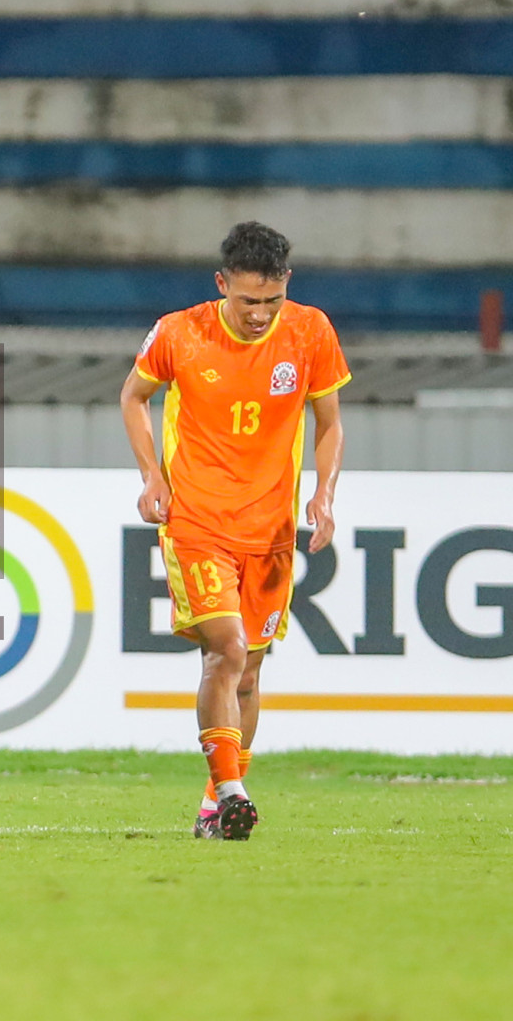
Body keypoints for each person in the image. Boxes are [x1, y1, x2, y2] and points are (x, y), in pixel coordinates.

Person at [119, 221, 349, 841]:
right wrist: (152, 477)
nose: (259, 314)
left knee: (249, 672)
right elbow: (133, 396)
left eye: (271, 300)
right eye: (248, 301)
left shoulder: (311, 331)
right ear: (222, 285)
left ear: (287, 286)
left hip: (270, 529)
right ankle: (232, 791)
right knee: (225, 650)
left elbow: (328, 424)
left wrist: (323, 494)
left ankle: (211, 808)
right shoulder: (179, 332)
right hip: (196, 521)